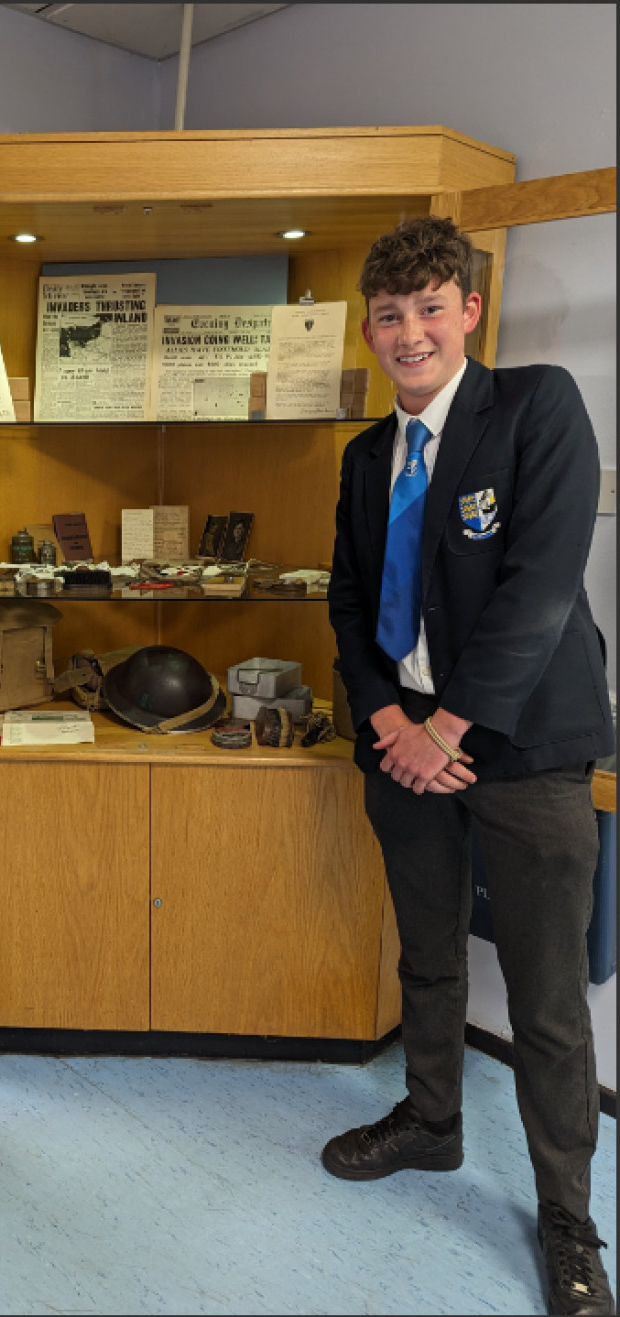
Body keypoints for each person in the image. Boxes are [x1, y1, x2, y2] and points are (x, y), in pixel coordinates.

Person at [326, 216, 614, 1317]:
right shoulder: (364, 458)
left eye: (430, 309)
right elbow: (349, 603)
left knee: (546, 999)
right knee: (429, 956)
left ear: (469, 312)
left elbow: (540, 588)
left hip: (524, 750)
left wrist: (448, 729)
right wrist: (388, 722)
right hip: (404, 750)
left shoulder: (536, 408)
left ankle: (568, 1219)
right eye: (390, 316)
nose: (410, 333)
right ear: (369, 328)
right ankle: (431, 1123)